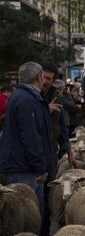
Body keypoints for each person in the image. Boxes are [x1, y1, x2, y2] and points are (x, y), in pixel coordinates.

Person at [0, 62, 54, 221]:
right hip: (25, 170)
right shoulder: (27, 100)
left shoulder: (23, 97)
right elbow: (31, 137)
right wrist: (40, 167)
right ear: (40, 77)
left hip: (22, 166)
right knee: (27, 219)